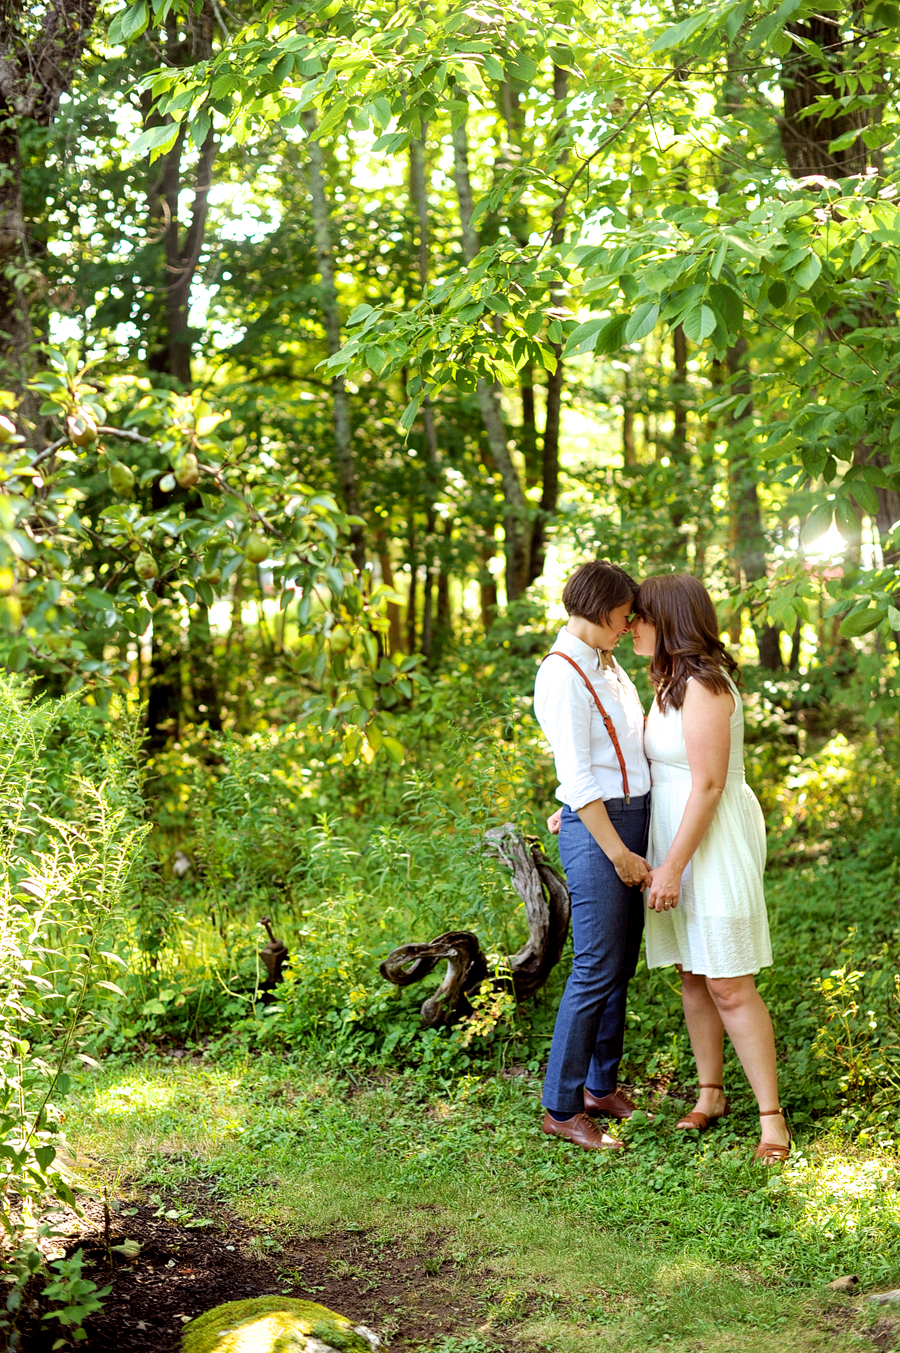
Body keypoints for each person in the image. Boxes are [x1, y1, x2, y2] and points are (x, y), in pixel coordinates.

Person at [631, 573, 790, 1164]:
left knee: (727, 979)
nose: (629, 627)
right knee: (692, 973)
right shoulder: (666, 680)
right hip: (675, 831)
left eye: (639, 617)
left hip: (713, 837)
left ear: (668, 618)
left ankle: (771, 1119)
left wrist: (671, 867)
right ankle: (710, 1094)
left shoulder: (705, 684)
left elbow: (711, 785)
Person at [533, 560, 653, 1151]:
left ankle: (600, 1087)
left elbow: (624, 749)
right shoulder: (561, 673)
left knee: (620, 966)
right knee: (596, 968)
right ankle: (561, 1105)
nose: (630, 624)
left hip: (629, 817)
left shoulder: (607, 665)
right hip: (601, 828)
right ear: (602, 608)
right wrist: (618, 852)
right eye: (625, 614)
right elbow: (579, 777)